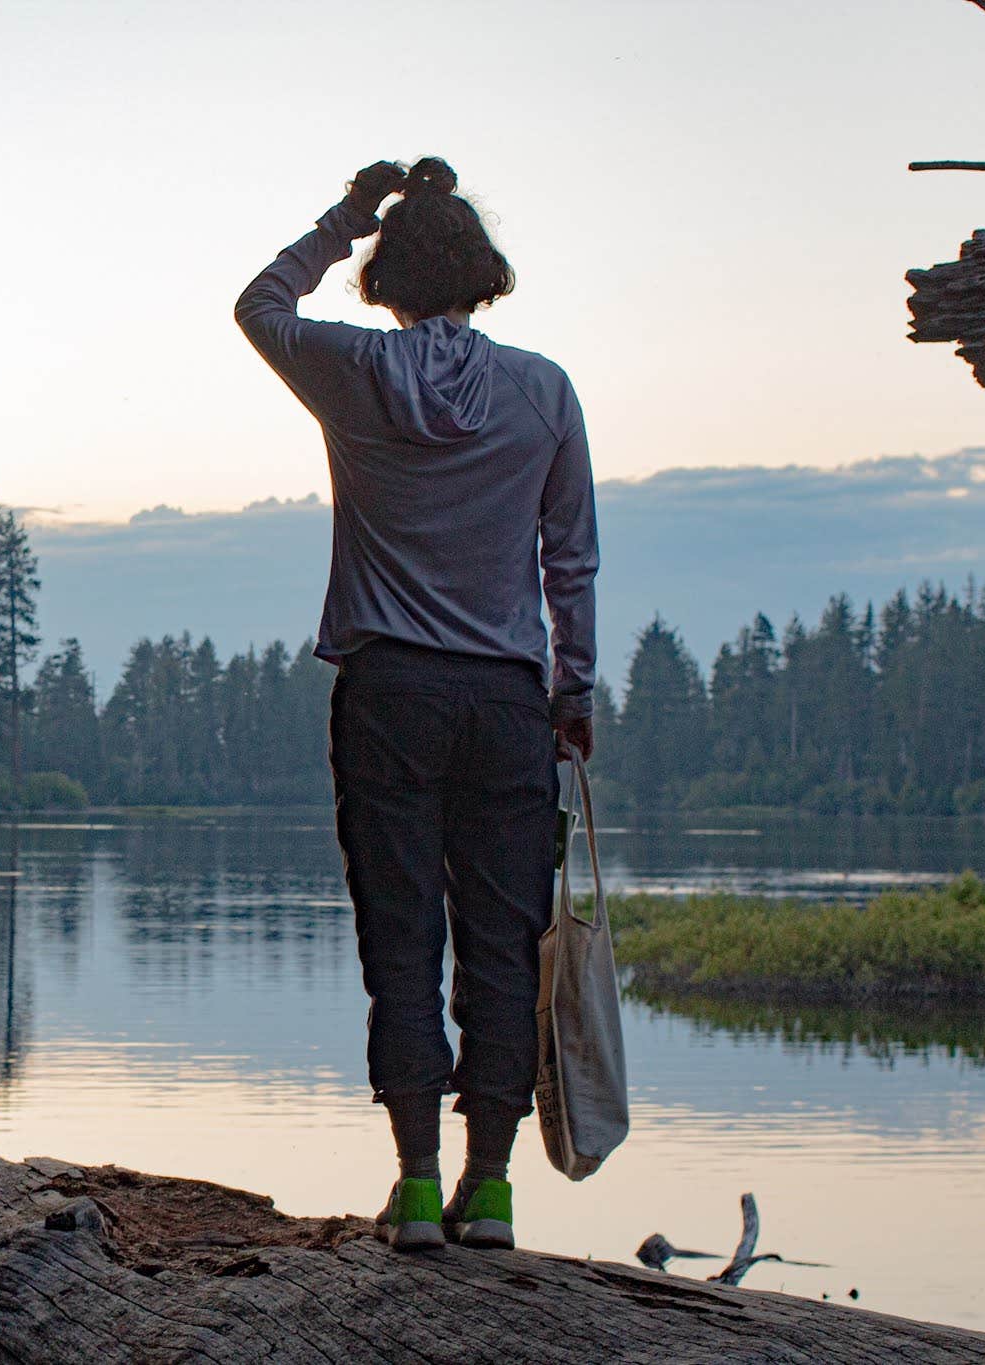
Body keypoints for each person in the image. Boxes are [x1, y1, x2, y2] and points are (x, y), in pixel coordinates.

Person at [235, 158, 597, 1252]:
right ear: (482, 277)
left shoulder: (350, 367)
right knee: (500, 941)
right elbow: (568, 561)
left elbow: (257, 304)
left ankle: (414, 1183)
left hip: (387, 690)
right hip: (502, 702)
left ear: (384, 277)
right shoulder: (542, 390)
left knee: (399, 937)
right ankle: (488, 1186)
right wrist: (569, 691)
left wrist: (342, 216)